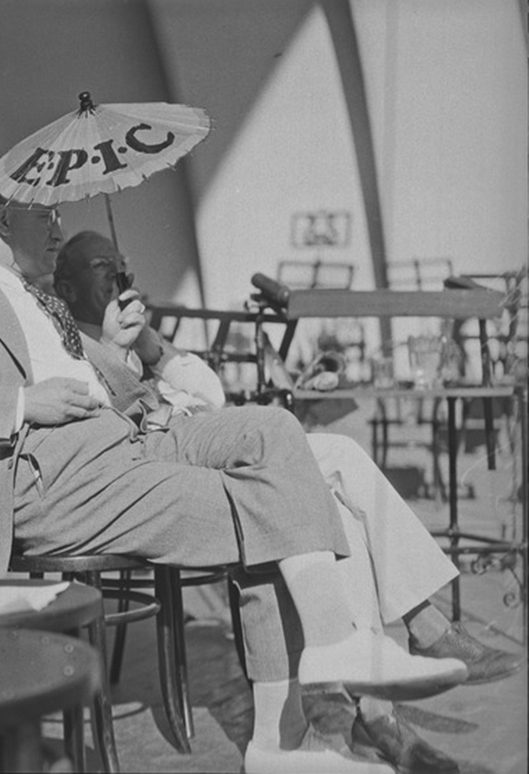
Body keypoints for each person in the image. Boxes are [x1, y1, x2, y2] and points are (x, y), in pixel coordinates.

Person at [0, 172, 469, 774]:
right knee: (268, 504)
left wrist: (137, 349)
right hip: (51, 474)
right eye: (46, 215)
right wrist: (25, 403)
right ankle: (285, 739)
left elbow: (130, 386)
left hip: (135, 444)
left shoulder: (46, 304)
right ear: (3, 220)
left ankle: (325, 661)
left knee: (273, 431)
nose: (58, 227)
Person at [52, 229, 525, 773]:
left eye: (119, 264)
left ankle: (393, 689)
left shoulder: (134, 336)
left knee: (342, 474)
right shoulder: (67, 345)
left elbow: (211, 394)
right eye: (99, 267)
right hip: (170, 475)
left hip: (218, 448)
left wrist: (150, 346)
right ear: (66, 286)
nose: (118, 276)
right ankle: (408, 664)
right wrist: (116, 352)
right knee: (325, 475)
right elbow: (107, 436)